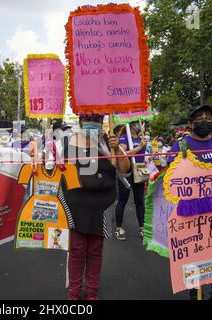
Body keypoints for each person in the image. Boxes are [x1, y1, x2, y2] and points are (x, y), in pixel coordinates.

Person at [61, 114, 130, 300]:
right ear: (81, 122)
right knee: (76, 250)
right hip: (76, 205)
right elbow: (58, 169)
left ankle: (92, 291)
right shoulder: (69, 142)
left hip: (102, 206)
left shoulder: (109, 142)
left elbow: (124, 168)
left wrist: (116, 149)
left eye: (97, 120)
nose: (93, 124)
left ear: (102, 123)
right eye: (88, 120)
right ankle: (73, 291)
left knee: (95, 250)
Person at [168, 105, 212, 300]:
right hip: (192, 216)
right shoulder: (180, 146)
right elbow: (172, 179)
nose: (205, 121)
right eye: (200, 118)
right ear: (190, 123)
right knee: (196, 264)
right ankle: (195, 294)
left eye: (209, 117)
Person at [115, 120, 147, 240]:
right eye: (139, 123)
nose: (141, 125)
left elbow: (143, 155)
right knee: (122, 200)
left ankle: (142, 227)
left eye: (142, 122)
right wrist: (139, 147)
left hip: (140, 171)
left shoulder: (141, 139)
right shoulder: (124, 137)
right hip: (126, 172)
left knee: (140, 201)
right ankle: (119, 228)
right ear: (131, 124)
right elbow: (123, 153)